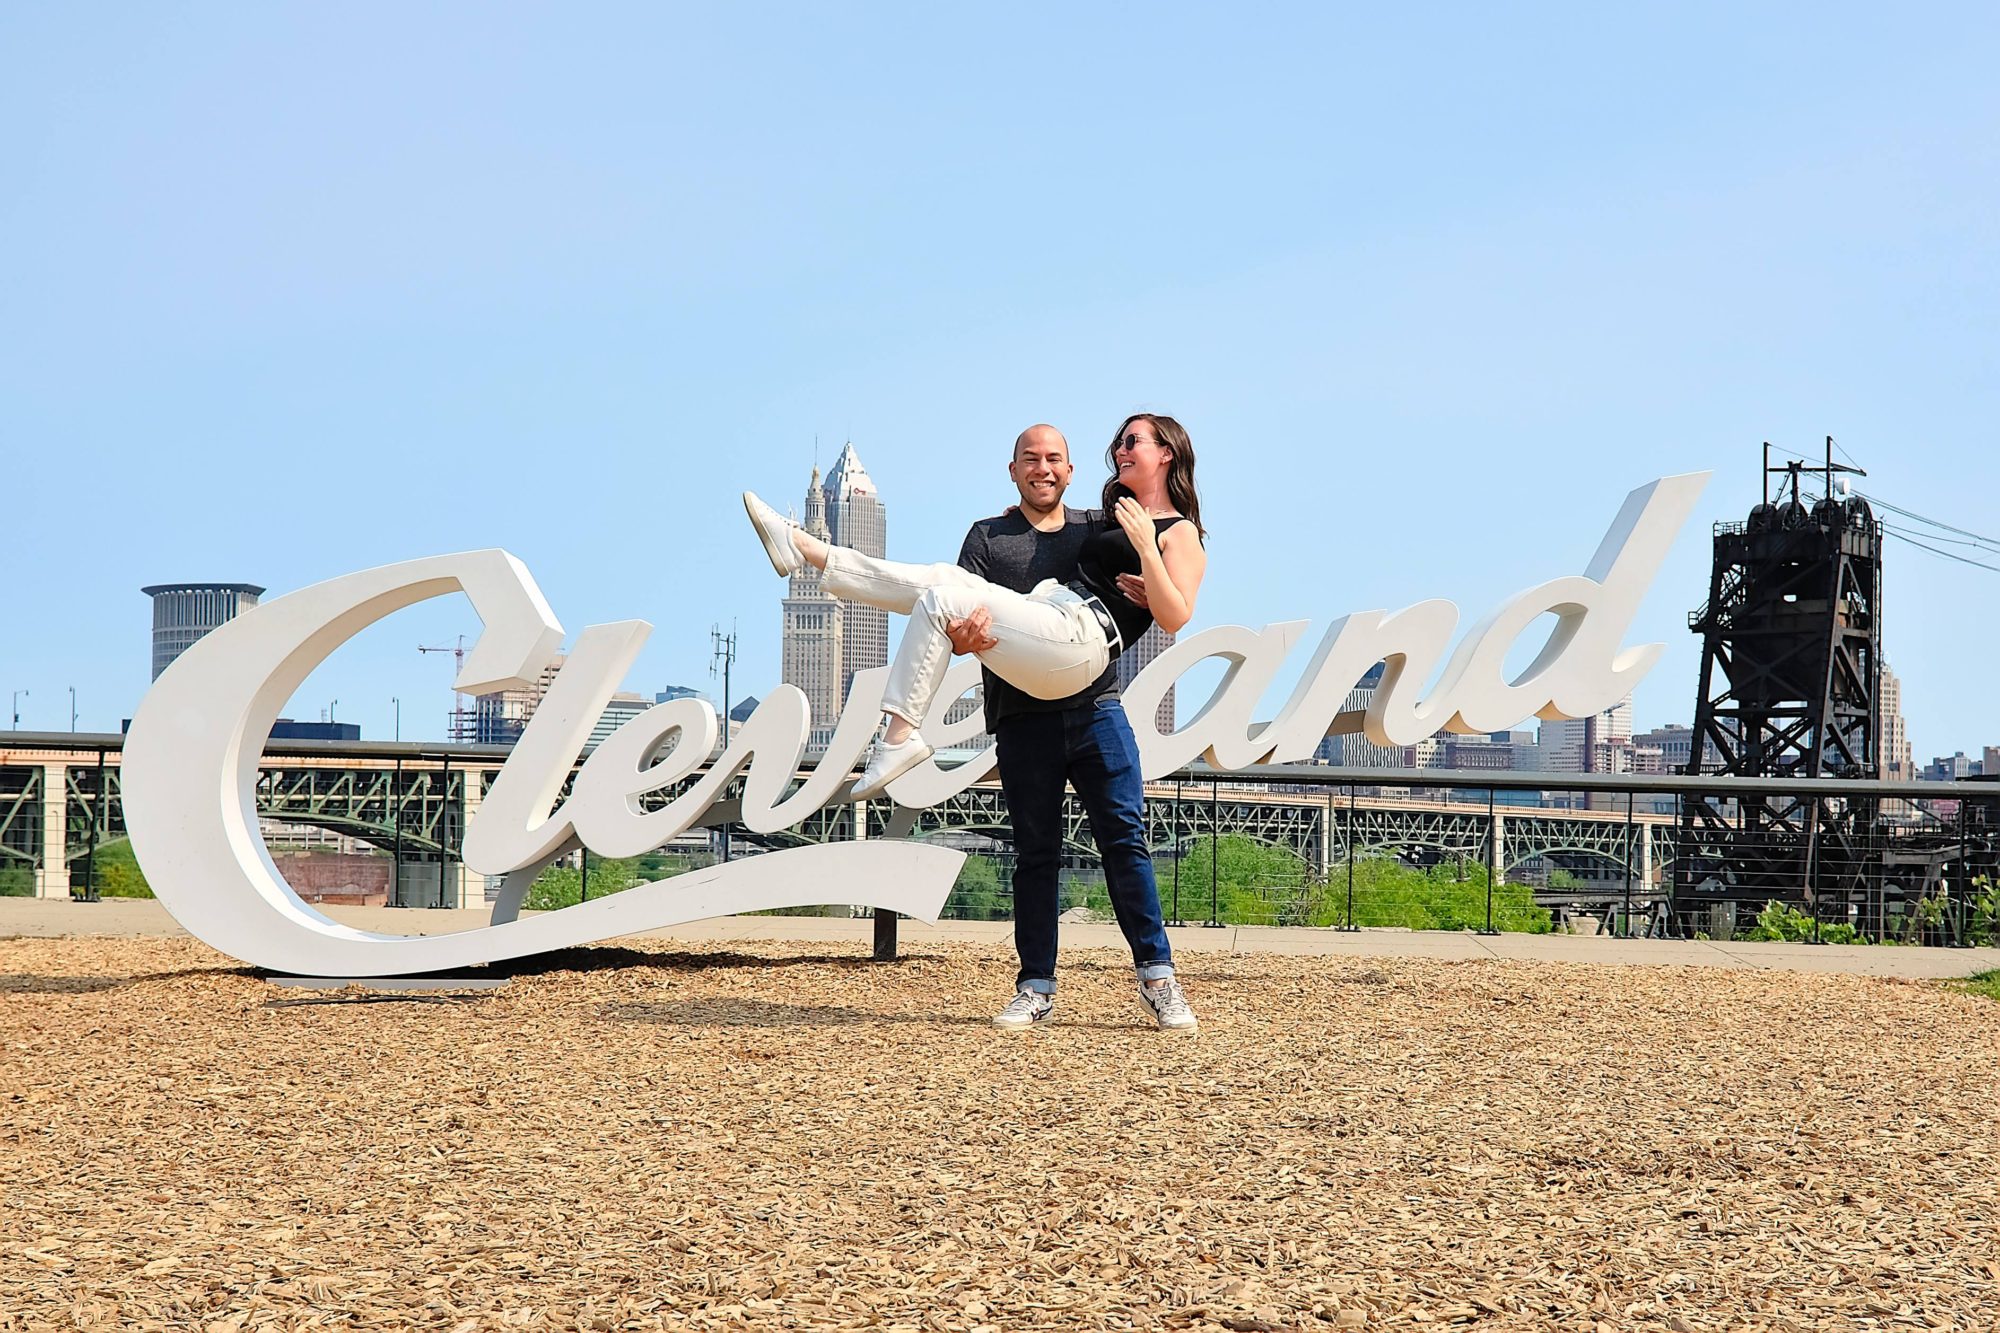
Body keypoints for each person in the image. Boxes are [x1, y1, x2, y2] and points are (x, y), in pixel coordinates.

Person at [742, 414, 1206, 1030]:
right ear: (1014, 470)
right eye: (1033, 458)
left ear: (1166, 455)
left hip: (1091, 683)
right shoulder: (1007, 532)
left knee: (1125, 842)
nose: (1115, 451)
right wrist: (965, 638)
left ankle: (1159, 980)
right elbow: (950, 633)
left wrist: (1149, 552)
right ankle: (810, 553)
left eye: (1131, 442)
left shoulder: (1153, 528)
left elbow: (1176, 615)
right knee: (941, 588)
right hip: (1026, 696)